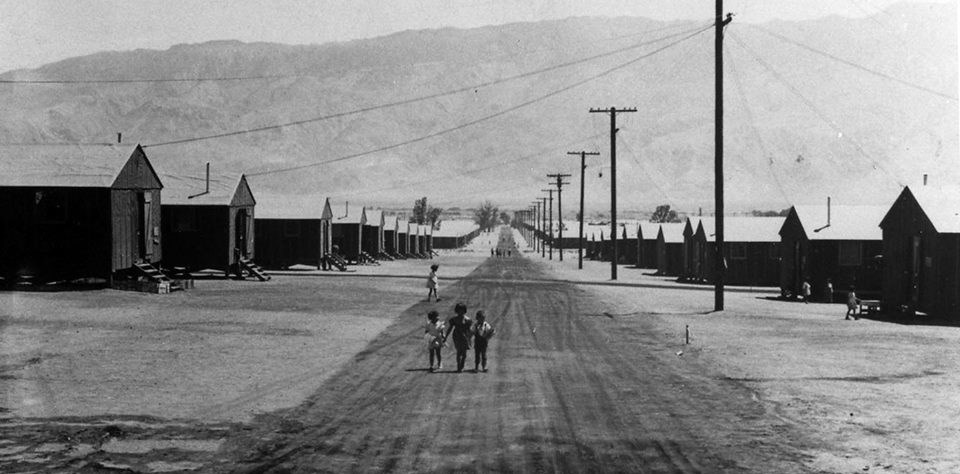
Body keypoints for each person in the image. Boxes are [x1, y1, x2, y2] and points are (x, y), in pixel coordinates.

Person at [444, 302, 473, 372]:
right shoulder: (454, 319)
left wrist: (470, 338)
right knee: (459, 351)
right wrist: (446, 336)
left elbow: (469, 330)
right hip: (457, 336)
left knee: (464, 353)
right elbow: (450, 328)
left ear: (464, 310)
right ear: (457, 311)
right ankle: (459, 366)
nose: (461, 312)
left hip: (465, 336)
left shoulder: (468, 320)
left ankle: (462, 363)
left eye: (462, 310)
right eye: (459, 310)